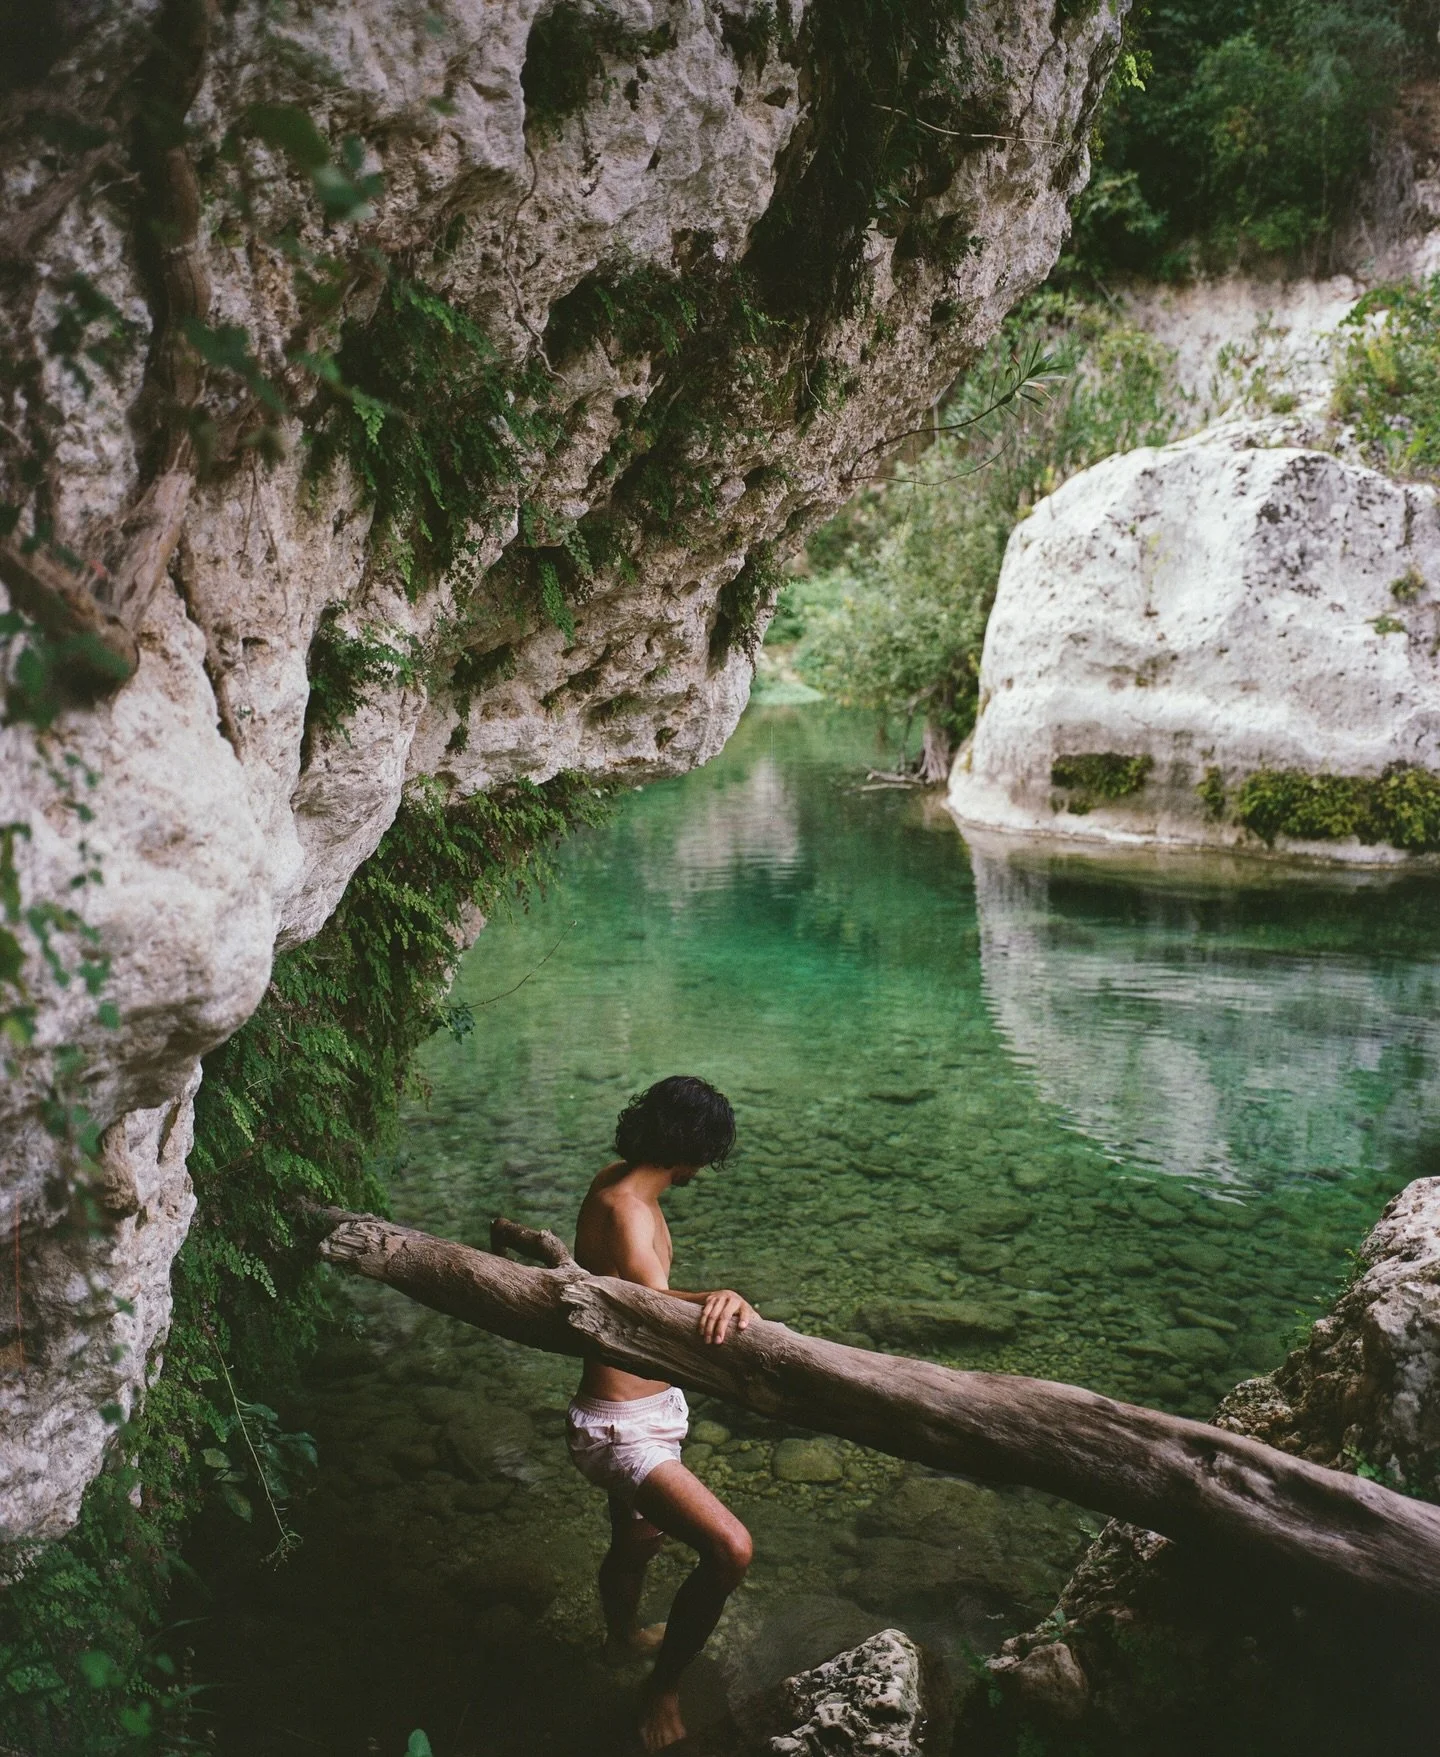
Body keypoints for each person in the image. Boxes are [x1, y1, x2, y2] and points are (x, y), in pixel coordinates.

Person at [566, 1075, 758, 1752]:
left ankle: (621, 1638)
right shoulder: (628, 1207)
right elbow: (655, 1308)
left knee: (637, 1542)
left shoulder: (616, 1181)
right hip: (622, 1428)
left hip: (648, 1408)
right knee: (730, 1550)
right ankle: (664, 1688)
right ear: (695, 1151)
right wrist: (722, 1295)